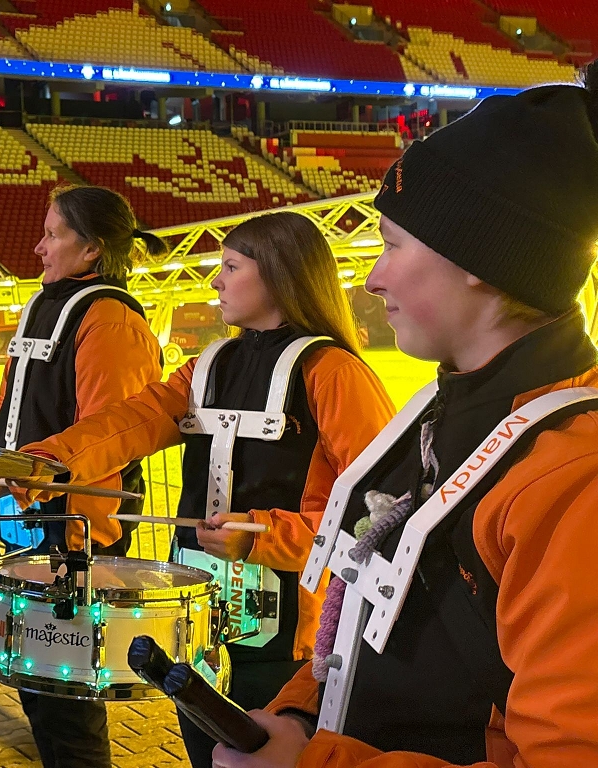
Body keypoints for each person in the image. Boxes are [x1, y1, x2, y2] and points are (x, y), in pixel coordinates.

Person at [210, 63, 598, 768]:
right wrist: (296, 714)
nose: (372, 276)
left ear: (478, 256)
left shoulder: (576, 480)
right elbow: (356, 629)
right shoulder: (438, 411)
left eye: (391, 244)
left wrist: (315, 763)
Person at [19, 211, 395, 768]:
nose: (216, 281)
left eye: (231, 267)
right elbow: (127, 424)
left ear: (279, 274)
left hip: (289, 643)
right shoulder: (207, 366)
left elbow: (378, 516)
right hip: (195, 624)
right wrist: (40, 464)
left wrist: (264, 536)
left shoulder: (333, 372)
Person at [0, 185, 167, 768]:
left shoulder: (112, 320)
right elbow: (7, 406)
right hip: (27, 520)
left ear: (93, 249)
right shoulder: (44, 305)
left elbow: (106, 436)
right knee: (35, 686)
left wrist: (11, 481)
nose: (39, 247)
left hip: (79, 531)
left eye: (53, 234)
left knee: (67, 702)